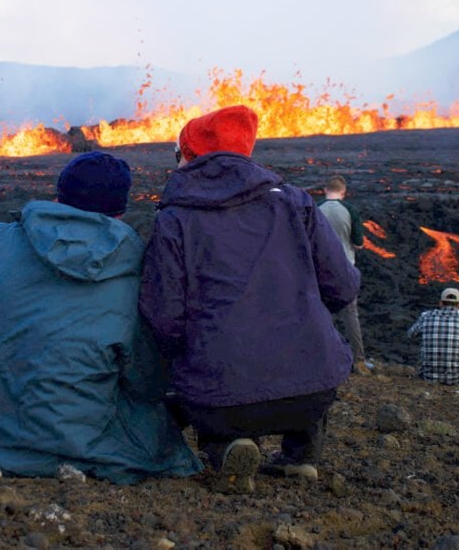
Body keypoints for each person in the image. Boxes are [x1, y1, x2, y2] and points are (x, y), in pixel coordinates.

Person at [0, 153, 202, 484]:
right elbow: (145, 381)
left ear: (58, 196)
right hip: (78, 445)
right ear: (120, 210)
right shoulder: (136, 273)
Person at [139, 105, 361, 494]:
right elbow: (342, 287)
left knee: (208, 383)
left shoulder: (175, 219)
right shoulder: (295, 202)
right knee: (309, 359)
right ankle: (302, 454)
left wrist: (182, 361)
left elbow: (164, 317)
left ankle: (227, 447)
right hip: (312, 388)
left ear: (188, 156)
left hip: (222, 393)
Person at [317, 175, 371, 375]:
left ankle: (322, 357)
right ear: (343, 192)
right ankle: (358, 361)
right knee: (350, 314)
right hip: (345, 269)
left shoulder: (315, 209)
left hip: (320, 269)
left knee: (319, 312)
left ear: (325, 189)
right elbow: (358, 243)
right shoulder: (350, 210)